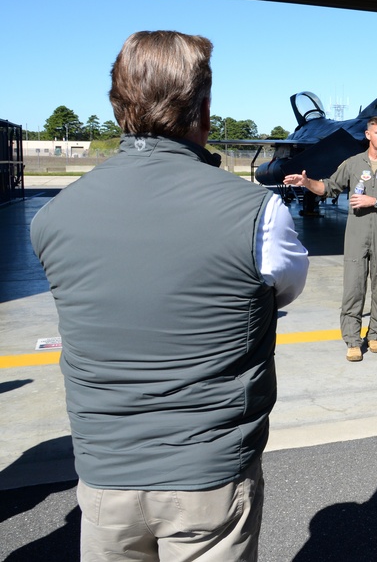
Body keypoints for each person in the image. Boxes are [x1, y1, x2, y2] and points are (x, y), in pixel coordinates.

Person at [30, 30, 309, 561]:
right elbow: (286, 287)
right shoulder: (259, 213)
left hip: (103, 478)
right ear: (202, 109)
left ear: (118, 107)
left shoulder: (53, 217)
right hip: (209, 478)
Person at [283, 116, 377, 362]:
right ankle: (353, 340)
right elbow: (329, 187)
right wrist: (306, 182)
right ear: (368, 135)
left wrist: (373, 201)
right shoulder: (353, 164)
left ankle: (376, 335)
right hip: (357, 233)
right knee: (353, 287)